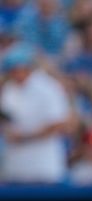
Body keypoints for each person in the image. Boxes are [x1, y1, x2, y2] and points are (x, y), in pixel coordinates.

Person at [0, 42, 72, 184]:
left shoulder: (48, 87)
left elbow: (58, 124)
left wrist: (25, 137)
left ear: (28, 67)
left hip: (44, 168)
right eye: (11, 70)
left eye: (17, 69)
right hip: (15, 168)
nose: (14, 73)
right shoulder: (9, 89)